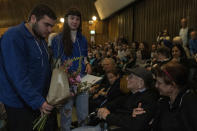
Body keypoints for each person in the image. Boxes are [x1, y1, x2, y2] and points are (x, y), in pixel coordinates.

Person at [0, 4, 57, 131]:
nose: (49, 30)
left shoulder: (41, 39)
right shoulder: (13, 36)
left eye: (51, 26)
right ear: (33, 19)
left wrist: (57, 91)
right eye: (46, 24)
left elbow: (44, 71)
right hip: (18, 103)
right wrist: (38, 102)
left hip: (36, 99)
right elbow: (17, 76)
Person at [73, 67, 158, 131]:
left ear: (141, 83)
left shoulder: (148, 100)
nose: (127, 78)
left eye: (131, 77)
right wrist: (105, 109)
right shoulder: (131, 94)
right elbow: (116, 103)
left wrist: (108, 116)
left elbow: (135, 124)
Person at [51, 8, 91, 131]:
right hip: (66, 81)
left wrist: (88, 64)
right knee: (66, 113)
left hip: (82, 79)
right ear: (66, 20)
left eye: (77, 19)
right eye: (72, 18)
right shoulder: (58, 39)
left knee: (84, 113)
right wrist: (66, 74)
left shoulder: (83, 39)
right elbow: (56, 61)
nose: (75, 21)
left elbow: (84, 57)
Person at [132, 62, 197, 131]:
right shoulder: (163, 101)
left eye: (159, 83)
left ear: (173, 85)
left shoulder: (190, 103)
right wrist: (139, 117)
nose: (156, 85)